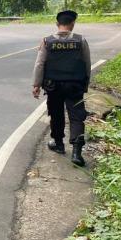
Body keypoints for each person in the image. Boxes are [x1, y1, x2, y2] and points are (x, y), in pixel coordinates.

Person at [32, 10, 91, 167]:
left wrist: (36, 85)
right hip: (75, 85)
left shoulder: (47, 41)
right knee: (77, 116)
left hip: (54, 86)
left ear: (57, 24)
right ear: (72, 24)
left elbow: (39, 64)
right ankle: (77, 152)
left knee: (56, 114)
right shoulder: (81, 40)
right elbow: (87, 64)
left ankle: (58, 144)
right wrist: (85, 85)